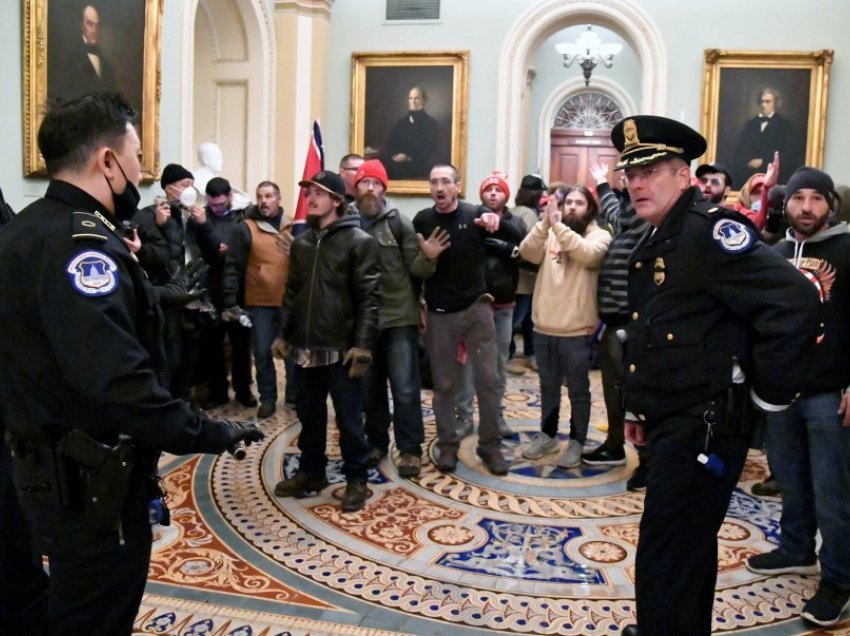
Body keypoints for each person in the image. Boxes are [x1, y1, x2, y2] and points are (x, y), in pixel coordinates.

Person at [0, 92, 263, 636]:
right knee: (93, 617)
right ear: (108, 161)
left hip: (43, 469)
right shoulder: (82, 248)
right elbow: (117, 379)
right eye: (137, 156)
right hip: (92, 486)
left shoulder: (26, 228)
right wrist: (205, 432)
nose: (141, 171)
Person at [611, 115, 821, 636]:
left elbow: (794, 301)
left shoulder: (709, 233)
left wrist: (766, 396)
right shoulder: (664, 235)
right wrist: (641, 409)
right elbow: (651, 328)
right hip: (674, 421)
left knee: (668, 552)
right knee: (681, 551)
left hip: (705, 426)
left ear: (684, 176)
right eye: (630, 172)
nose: (637, 182)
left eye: (653, 170)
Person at [746, 166, 850, 628]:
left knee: (834, 491)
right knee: (790, 477)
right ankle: (795, 547)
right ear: (785, 203)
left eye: (817, 199)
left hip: (831, 391)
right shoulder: (776, 252)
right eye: (798, 198)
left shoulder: (848, 249)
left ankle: (839, 581)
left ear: (832, 205)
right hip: (782, 391)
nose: (807, 207)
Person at [273, 170, 379, 512]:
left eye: (318, 193)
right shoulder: (302, 243)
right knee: (310, 417)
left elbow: (368, 298)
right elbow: (292, 294)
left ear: (336, 200)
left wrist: (362, 345)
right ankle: (311, 471)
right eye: (308, 192)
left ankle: (356, 479)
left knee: (349, 421)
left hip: (340, 348)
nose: (311, 198)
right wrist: (283, 334)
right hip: (306, 348)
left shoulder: (358, 241)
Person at [412, 164, 514, 475]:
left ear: (458, 185)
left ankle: (490, 445)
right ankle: (447, 446)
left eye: (445, 181)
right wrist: (420, 303)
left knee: (489, 381)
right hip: (440, 313)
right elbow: (415, 270)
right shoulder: (423, 220)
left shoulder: (475, 215)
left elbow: (516, 237)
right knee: (444, 385)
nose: (439, 187)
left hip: (476, 309)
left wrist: (499, 221)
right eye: (434, 182)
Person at [350, 159, 440, 477]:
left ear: (384, 188)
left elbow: (416, 268)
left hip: (399, 318)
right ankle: (375, 442)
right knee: (369, 388)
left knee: (404, 388)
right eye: (365, 183)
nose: (370, 188)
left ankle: (410, 450)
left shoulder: (399, 221)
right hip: (362, 322)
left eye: (376, 183)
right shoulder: (347, 223)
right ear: (356, 188)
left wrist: (429, 258)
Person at [519, 185, 611, 467]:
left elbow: (586, 254)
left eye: (578, 203)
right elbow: (527, 253)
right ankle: (547, 435)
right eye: (568, 202)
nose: (571, 207)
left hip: (577, 331)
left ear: (590, 208)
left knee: (579, 391)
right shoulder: (551, 232)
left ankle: (576, 441)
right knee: (548, 387)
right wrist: (545, 223)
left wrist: (557, 227)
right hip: (544, 328)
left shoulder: (600, 236)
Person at [580, 162, 651, 489]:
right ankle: (613, 445)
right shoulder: (626, 215)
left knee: (635, 395)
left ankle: (647, 460)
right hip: (612, 322)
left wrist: (602, 185)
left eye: (638, 178)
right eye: (629, 178)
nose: (632, 184)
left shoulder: (643, 217)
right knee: (613, 389)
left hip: (631, 325)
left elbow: (619, 214)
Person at [455, 172, 527, 440]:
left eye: (499, 190)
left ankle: (495, 414)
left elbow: (526, 248)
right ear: (482, 194)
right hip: (473, 302)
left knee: (498, 362)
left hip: (504, 303)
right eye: (489, 189)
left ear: (507, 195)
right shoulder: (472, 218)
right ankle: (463, 415)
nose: (494, 193)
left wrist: (507, 246)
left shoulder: (516, 221)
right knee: (467, 363)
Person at [222, 181, 294, 419]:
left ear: (279, 199)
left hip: (290, 301)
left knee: (292, 353)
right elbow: (233, 266)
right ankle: (268, 399)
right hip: (260, 301)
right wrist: (230, 299)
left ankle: (294, 396)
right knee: (262, 353)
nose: (264, 201)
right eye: (260, 196)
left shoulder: (293, 225)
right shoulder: (246, 227)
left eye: (269, 196)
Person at [197, 177, 256, 410]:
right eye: (213, 205)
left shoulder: (243, 217)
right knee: (212, 345)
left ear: (229, 197)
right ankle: (217, 391)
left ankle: (243, 390)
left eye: (221, 205)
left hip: (238, 291)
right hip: (210, 289)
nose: (217, 209)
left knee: (242, 345)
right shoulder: (201, 219)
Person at [504, 174, 545, 376]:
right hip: (526, 277)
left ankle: (529, 354)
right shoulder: (529, 214)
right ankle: (509, 356)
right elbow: (532, 245)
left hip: (515, 275)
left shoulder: (513, 211)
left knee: (526, 319)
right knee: (517, 320)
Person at [732, 87, 803, 186]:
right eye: (761, 101)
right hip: (749, 177)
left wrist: (763, 161)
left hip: (775, 179)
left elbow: (789, 155)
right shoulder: (750, 124)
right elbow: (739, 150)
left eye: (767, 101)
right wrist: (747, 162)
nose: (763, 105)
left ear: (776, 103)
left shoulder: (785, 126)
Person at [50, 5, 115, 102]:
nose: (94, 30)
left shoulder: (107, 66)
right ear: (81, 25)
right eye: (90, 24)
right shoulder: (70, 60)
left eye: (97, 25)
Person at [382, 86, 439, 180]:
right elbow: (391, 143)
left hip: (418, 165)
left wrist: (408, 158)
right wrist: (396, 155)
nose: (413, 101)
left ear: (424, 101)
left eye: (416, 98)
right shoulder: (400, 123)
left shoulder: (431, 124)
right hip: (397, 162)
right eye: (411, 98)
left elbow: (430, 149)